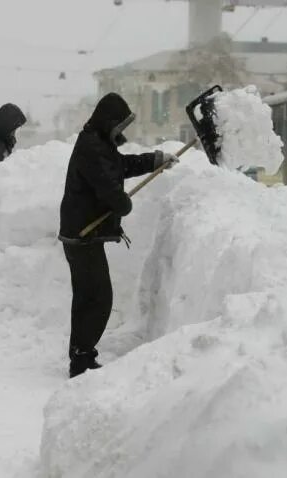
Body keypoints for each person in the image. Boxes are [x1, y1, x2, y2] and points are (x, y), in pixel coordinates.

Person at [58, 92, 178, 378]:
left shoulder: (97, 142)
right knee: (98, 298)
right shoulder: (92, 148)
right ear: (107, 121)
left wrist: (154, 160)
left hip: (80, 233)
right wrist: (123, 203)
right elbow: (110, 189)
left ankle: (81, 356)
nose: (120, 131)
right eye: (119, 125)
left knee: (88, 298)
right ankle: (82, 358)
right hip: (82, 235)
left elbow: (119, 167)